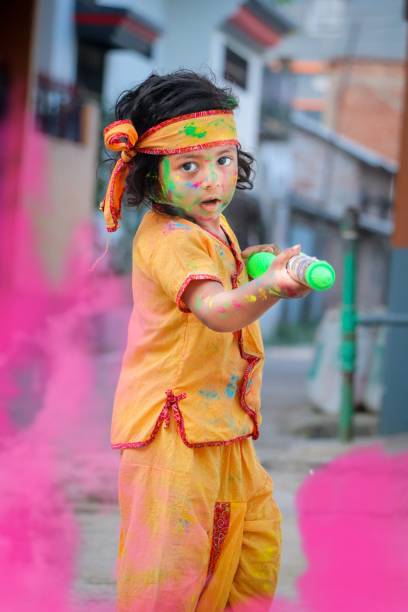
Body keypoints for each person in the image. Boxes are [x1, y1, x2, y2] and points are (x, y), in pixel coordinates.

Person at [100, 70, 309, 612]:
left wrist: (256, 266)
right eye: (188, 166)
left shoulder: (209, 225)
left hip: (222, 431)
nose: (211, 180)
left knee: (250, 551)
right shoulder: (171, 239)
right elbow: (216, 310)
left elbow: (224, 278)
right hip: (173, 435)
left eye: (222, 160)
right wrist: (269, 289)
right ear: (152, 175)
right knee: (170, 577)